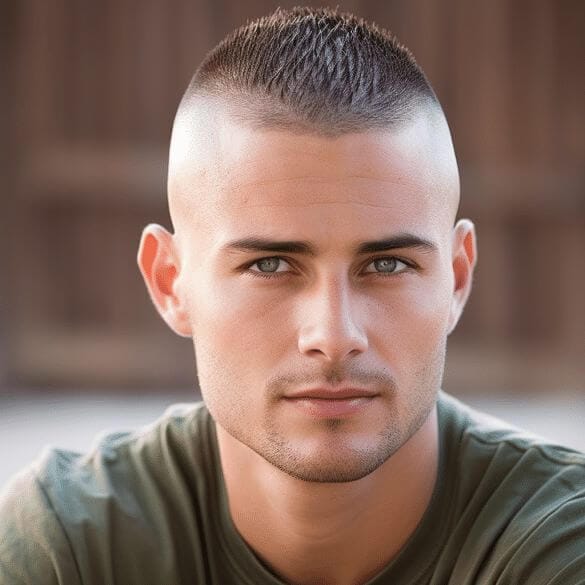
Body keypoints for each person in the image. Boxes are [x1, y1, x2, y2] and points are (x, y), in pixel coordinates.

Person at [1, 6, 584, 585]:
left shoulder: (558, 543)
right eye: (271, 264)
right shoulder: (72, 546)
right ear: (169, 282)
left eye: (387, 263)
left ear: (457, 278)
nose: (333, 337)